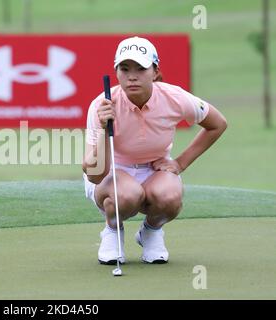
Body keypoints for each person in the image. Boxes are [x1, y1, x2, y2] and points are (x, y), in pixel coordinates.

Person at [82, 36, 227, 264]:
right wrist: (102, 129)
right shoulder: (102, 104)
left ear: (155, 72)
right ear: (116, 72)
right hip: (112, 176)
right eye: (125, 68)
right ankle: (112, 231)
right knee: (127, 194)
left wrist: (180, 163)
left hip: (153, 169)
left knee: (170, 196)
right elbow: (94, 174)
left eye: (141, 68)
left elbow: (217, 124)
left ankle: (151, 231)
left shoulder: (174, 97)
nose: (132, 76)